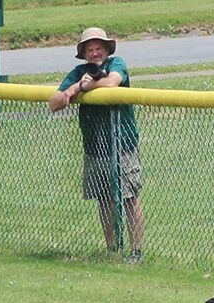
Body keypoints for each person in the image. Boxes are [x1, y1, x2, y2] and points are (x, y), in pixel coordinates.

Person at [48, 27, 146, 263]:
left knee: (129, 197)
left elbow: (112, 83)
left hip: (122, 144)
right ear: (83, 53)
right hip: (95, 147)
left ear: (107, 50)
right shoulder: (78, 72)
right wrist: (70, 89)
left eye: (98, 48)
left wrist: (80, 88)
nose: (94, 53)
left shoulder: (116, 64)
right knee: (105, 199)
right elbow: (53, 103)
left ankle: (136, 251)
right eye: (89, 49)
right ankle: (112, 249)